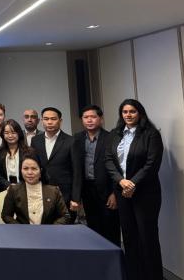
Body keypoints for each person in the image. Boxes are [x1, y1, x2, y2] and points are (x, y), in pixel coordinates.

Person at [105, 99, 163, 280]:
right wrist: (121, 181)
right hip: (122, 192)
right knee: (129, 237)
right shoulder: (115, 134)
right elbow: (108, 160)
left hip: (145, 193)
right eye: (124, 112)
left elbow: (152, 163)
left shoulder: (151, 134)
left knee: (147, 237)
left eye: (132, 111)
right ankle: (134, 275)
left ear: (140, 113)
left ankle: (153, 276)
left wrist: (132, 183)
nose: (128, 115)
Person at [72, 105, 120, 245]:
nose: (89, 120)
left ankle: (113, 263)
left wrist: (114, 192)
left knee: (110, 229)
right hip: (87, 190)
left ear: (101, 119)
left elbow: (117, 167)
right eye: (86, 117)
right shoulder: (77, 138)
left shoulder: (111, 137)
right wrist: (76, 196)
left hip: (107, 190)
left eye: (93, 117)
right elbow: (76, 168)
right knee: (92, 229)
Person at [31, 107, 77, 218]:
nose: (49, 122)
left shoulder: (71, 141)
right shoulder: (35, 140)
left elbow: (77, 172)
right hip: (40, 193)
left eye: (53, 119)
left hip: (65, 195)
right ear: (41, 121)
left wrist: (75, 198)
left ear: (60, 121)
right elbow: (33, 166)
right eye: (46, 119)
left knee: (65, 230)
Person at [1, 154, 70, 225]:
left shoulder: (54, 191)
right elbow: (6, 215)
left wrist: (51, 229)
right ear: (21, 170)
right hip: (22, 233)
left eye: (34, 168)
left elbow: (65, 216)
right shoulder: (14, 190)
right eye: (25, 168)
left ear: (41, 171)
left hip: (48, 233)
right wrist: (20, 228)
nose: (29, 172)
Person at [0, 119, 32, 195]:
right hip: (5, 191)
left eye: (13, 132)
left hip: (26, 190)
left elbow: (32, 172)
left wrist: (19, 187)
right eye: (6, 133)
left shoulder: (29, 152)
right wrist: (8, 185)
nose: (10, 136)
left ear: (19, 133)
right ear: (2, 135)